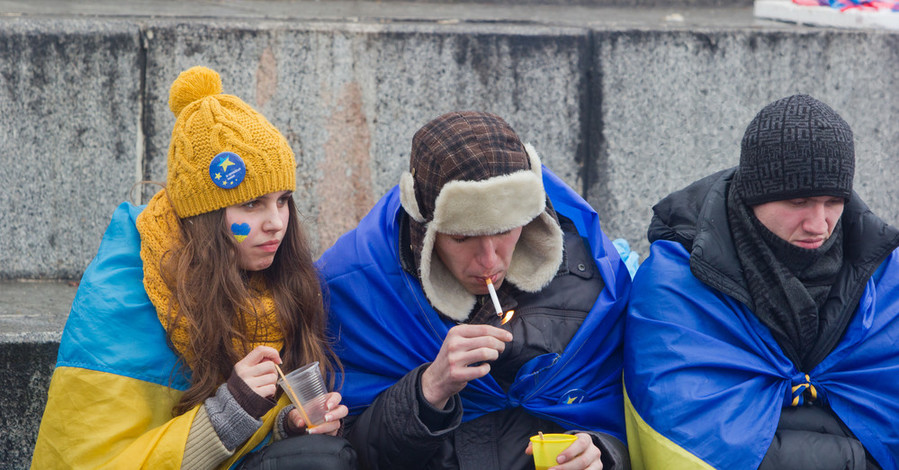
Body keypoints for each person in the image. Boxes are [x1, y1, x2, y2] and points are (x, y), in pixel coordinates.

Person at [32, 66, 355, 469]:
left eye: (283, 199)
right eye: (251, 204)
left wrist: (287, 428)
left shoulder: (275, 281)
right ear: (204, 215)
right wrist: (229, 412)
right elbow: (90, 459)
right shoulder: (124, 294)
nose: (276, 222)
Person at [317, 111, 632, 470]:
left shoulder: (589, 275)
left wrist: (601, 454)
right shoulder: (361, 289)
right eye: (462, 237)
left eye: (504, 229)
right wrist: (428, 389)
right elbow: (346, 455)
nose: (488, 260)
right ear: (425, 231)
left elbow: (636, 419)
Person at [624, 94, 899, 469]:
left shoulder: (884, 272)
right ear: (754, 195)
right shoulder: (674, 278)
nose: (819, 225)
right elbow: (682, 433)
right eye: (799, 202)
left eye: (834, 201)